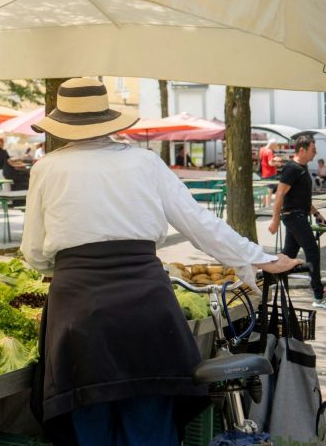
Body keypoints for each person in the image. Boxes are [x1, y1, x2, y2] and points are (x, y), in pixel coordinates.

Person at [22, 78, 299, 446]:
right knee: (149, 420)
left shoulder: (46, 168)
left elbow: (35, 253)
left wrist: (63, 266)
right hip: (146, 305)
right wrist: (259, 257)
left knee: (89, 421)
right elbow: (200, 225)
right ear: (108, 119)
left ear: (62, 123)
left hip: (79, 308)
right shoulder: (145, 162)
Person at [269, 136, 326, 308]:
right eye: (313, 150)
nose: (315, 154)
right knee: (312, 253)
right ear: (302, 149)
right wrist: (275, 219)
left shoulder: (302, 168)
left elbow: (302, 198)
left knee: (288, 256)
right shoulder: (292, 169)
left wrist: (316, 214)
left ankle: (269, 281)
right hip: (293, 216)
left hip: (299, 215)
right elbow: (279, 194)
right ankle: (318, 297)